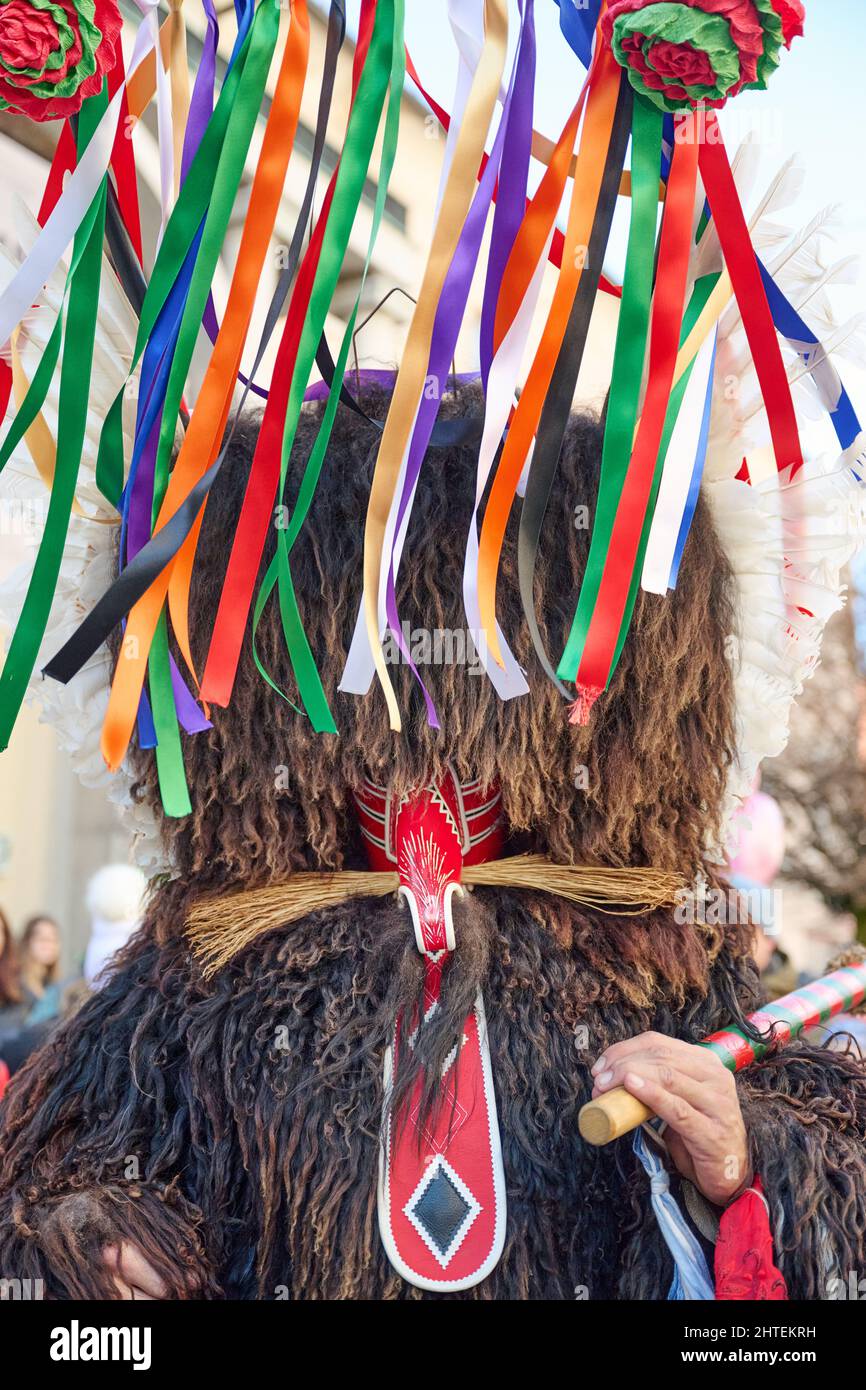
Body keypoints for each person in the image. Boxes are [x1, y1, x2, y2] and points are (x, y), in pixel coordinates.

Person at [0, 388, 864, 1301]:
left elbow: (803, 1283)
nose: (425, 779)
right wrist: (85, 1250)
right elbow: (51, 1188)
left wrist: (743, 1159)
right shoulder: (198, 976)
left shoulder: (663, 964)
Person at [16, 916, 62, 1027]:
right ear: (27, 942)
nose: (49, 946)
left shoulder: (53, 985)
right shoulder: (15, 983)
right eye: (42, 939)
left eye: (54, 940)